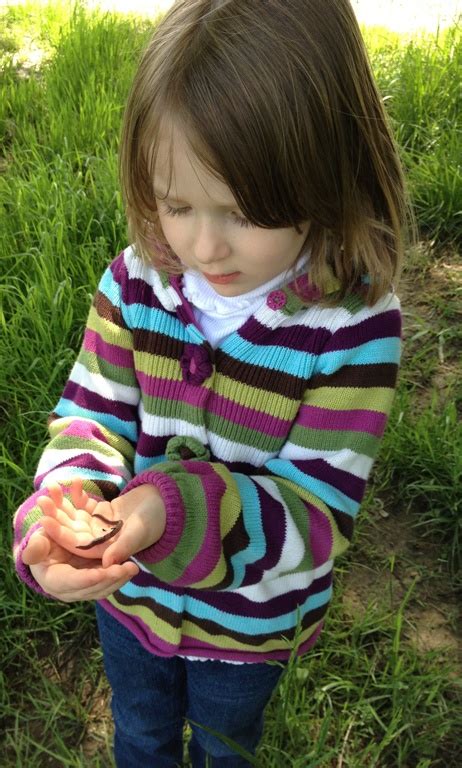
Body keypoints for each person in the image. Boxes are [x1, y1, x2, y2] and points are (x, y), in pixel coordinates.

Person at [13, 1, 410, 765]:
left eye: (244, 211)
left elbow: (314, 515)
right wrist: (59, 515)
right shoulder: (137, 284)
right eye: (176, 203)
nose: (202, 243)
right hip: (128, 602)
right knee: (140, 731)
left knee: (226, 746)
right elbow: (90, 419)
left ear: (330, 171)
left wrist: (174, 509)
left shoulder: (354, 327)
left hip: (248, 628)